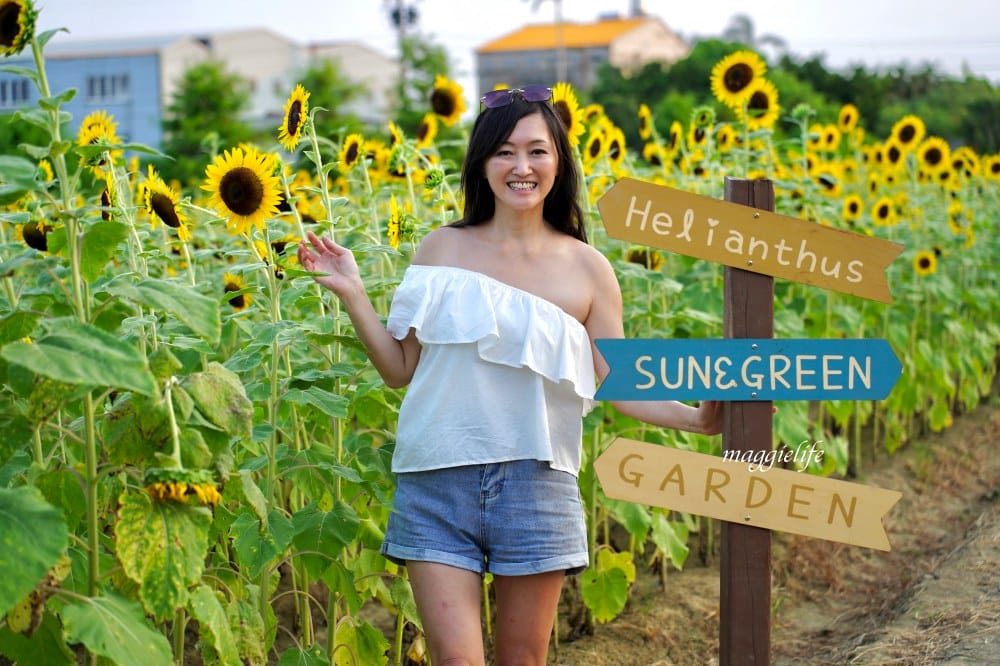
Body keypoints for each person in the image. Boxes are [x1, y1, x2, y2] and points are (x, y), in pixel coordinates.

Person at [298, 85, 722, 666]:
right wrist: (352, 292)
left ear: (559, 162)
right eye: (504, 152)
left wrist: (697, 419)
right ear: (481, 164)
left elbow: (621, 385)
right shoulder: (441, 250)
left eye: (537, 151)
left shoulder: (587, 269)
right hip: (436, 479)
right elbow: (399, 368)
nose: (521, 167)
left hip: (536, 485)